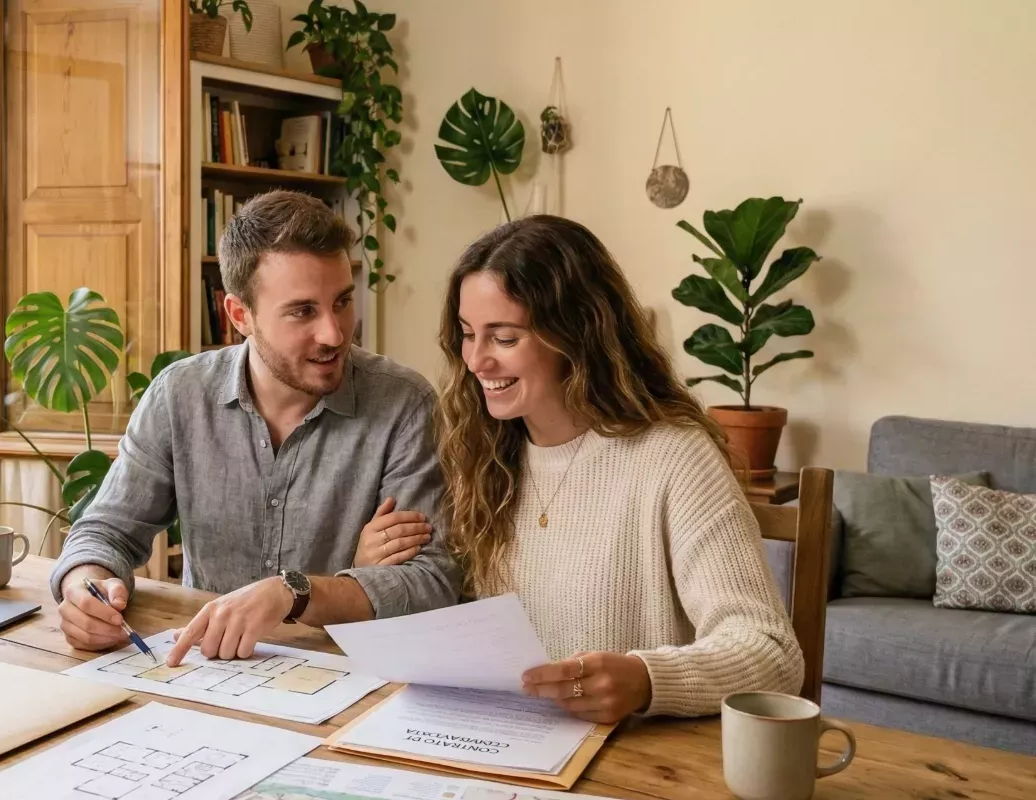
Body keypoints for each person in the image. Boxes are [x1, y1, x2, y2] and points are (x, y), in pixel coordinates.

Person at [51, 190, 458, 666]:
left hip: (346, 673)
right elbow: (107, 530)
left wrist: (294, 593)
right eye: (303, 311)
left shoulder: (404, 403)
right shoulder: (179, 395)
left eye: (343, 301)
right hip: (204, 670)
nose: (334, 333)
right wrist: (84, 587)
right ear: (240, 315)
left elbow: (432, 581)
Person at [435, 215, 803, 724]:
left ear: (575, 334)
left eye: (505, 338)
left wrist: (648, 679)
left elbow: (772, 652)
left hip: (635, 752)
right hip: (508, 740)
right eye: (467, 334)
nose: (476, 360)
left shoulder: (674, 457)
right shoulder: (483, 453)